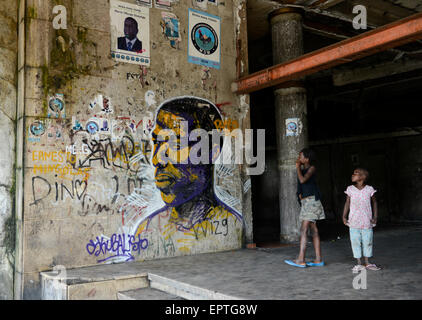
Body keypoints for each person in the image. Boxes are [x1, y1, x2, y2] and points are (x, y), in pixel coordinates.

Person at [134, 97, 242, 242]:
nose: (157, 160)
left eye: (176, 145)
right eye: (157, 143)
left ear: (211, 152)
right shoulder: (146, 232)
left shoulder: (233, 226)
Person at [285, 148, 326, 268]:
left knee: (304, 230)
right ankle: (318, 259)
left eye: (300, 156)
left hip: (311, 202)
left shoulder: (311, 168)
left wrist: (297, 167)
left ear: (307, 159)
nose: (299, 158)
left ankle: (301, 259)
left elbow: (302, 181)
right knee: (314, 230)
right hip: (307, 203)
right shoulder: (303, 170)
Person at [343, 168, 380, 271]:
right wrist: (344, 216)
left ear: (363, 177)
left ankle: (367, 263)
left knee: (367, 241)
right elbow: (347, 203)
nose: (353, 175)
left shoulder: (369, 189)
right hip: (354, 221)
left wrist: (375, 217)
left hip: (367, 221)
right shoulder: (350, 189)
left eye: (356, 173)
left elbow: (375, 203)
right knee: (355, 242)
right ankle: (359, 263)